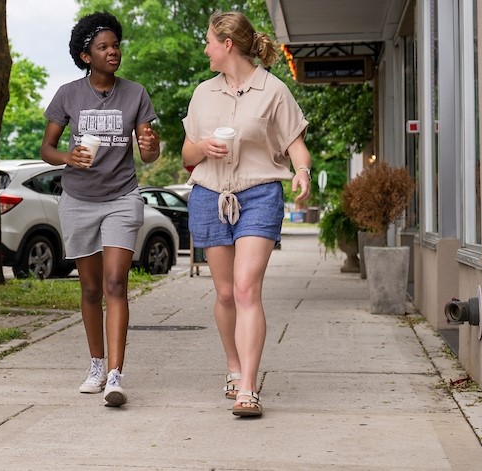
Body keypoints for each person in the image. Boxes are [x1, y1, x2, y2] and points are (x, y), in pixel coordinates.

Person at [180, 11, 312, 418]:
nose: (204, 49)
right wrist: (203, 147)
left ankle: (249, 389)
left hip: (259, 195)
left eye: (208, 42)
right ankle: (234, 368)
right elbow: (186, 155)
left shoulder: (273, 90)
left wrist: (303, 173)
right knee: (223, 293)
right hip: (209, 196)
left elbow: (296, 145)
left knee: (244, 290)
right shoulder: (203, 93)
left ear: (227, 45)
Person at [40, 11, 161, 407]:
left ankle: (115, 375)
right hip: (78, 200)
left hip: (122, 197)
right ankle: (95, 365)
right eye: (103, 47)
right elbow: (47, 149)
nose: (113, 52)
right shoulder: (67, 94)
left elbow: (150, 152)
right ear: (85, 55)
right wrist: (67, 159)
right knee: (90, 288)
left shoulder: (135, 93)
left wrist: (149, 146)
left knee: (115, 284)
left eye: (115, 45)